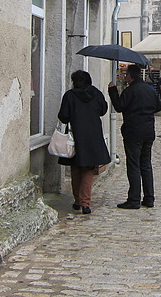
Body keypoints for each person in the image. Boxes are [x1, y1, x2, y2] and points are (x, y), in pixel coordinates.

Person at [108, 64, 161, 209]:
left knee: (134, 166)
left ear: (130, 76)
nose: (125, 77)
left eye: (126, 75)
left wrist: (112, 90)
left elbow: (119, 106)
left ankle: (134, 199)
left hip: (133, 132)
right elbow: (158, 106)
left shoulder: (129, 91)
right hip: (148, 131)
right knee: (146, 165)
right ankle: (149, 198)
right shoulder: (149, 90)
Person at [58, 70, 111, 215]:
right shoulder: (97, 94)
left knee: (75, 169)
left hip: (76, 136)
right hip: (93, 136)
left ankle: (77, 201)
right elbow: (103, 110)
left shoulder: (70, 95)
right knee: (88, 170)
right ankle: (85, 202)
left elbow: (63, 116)